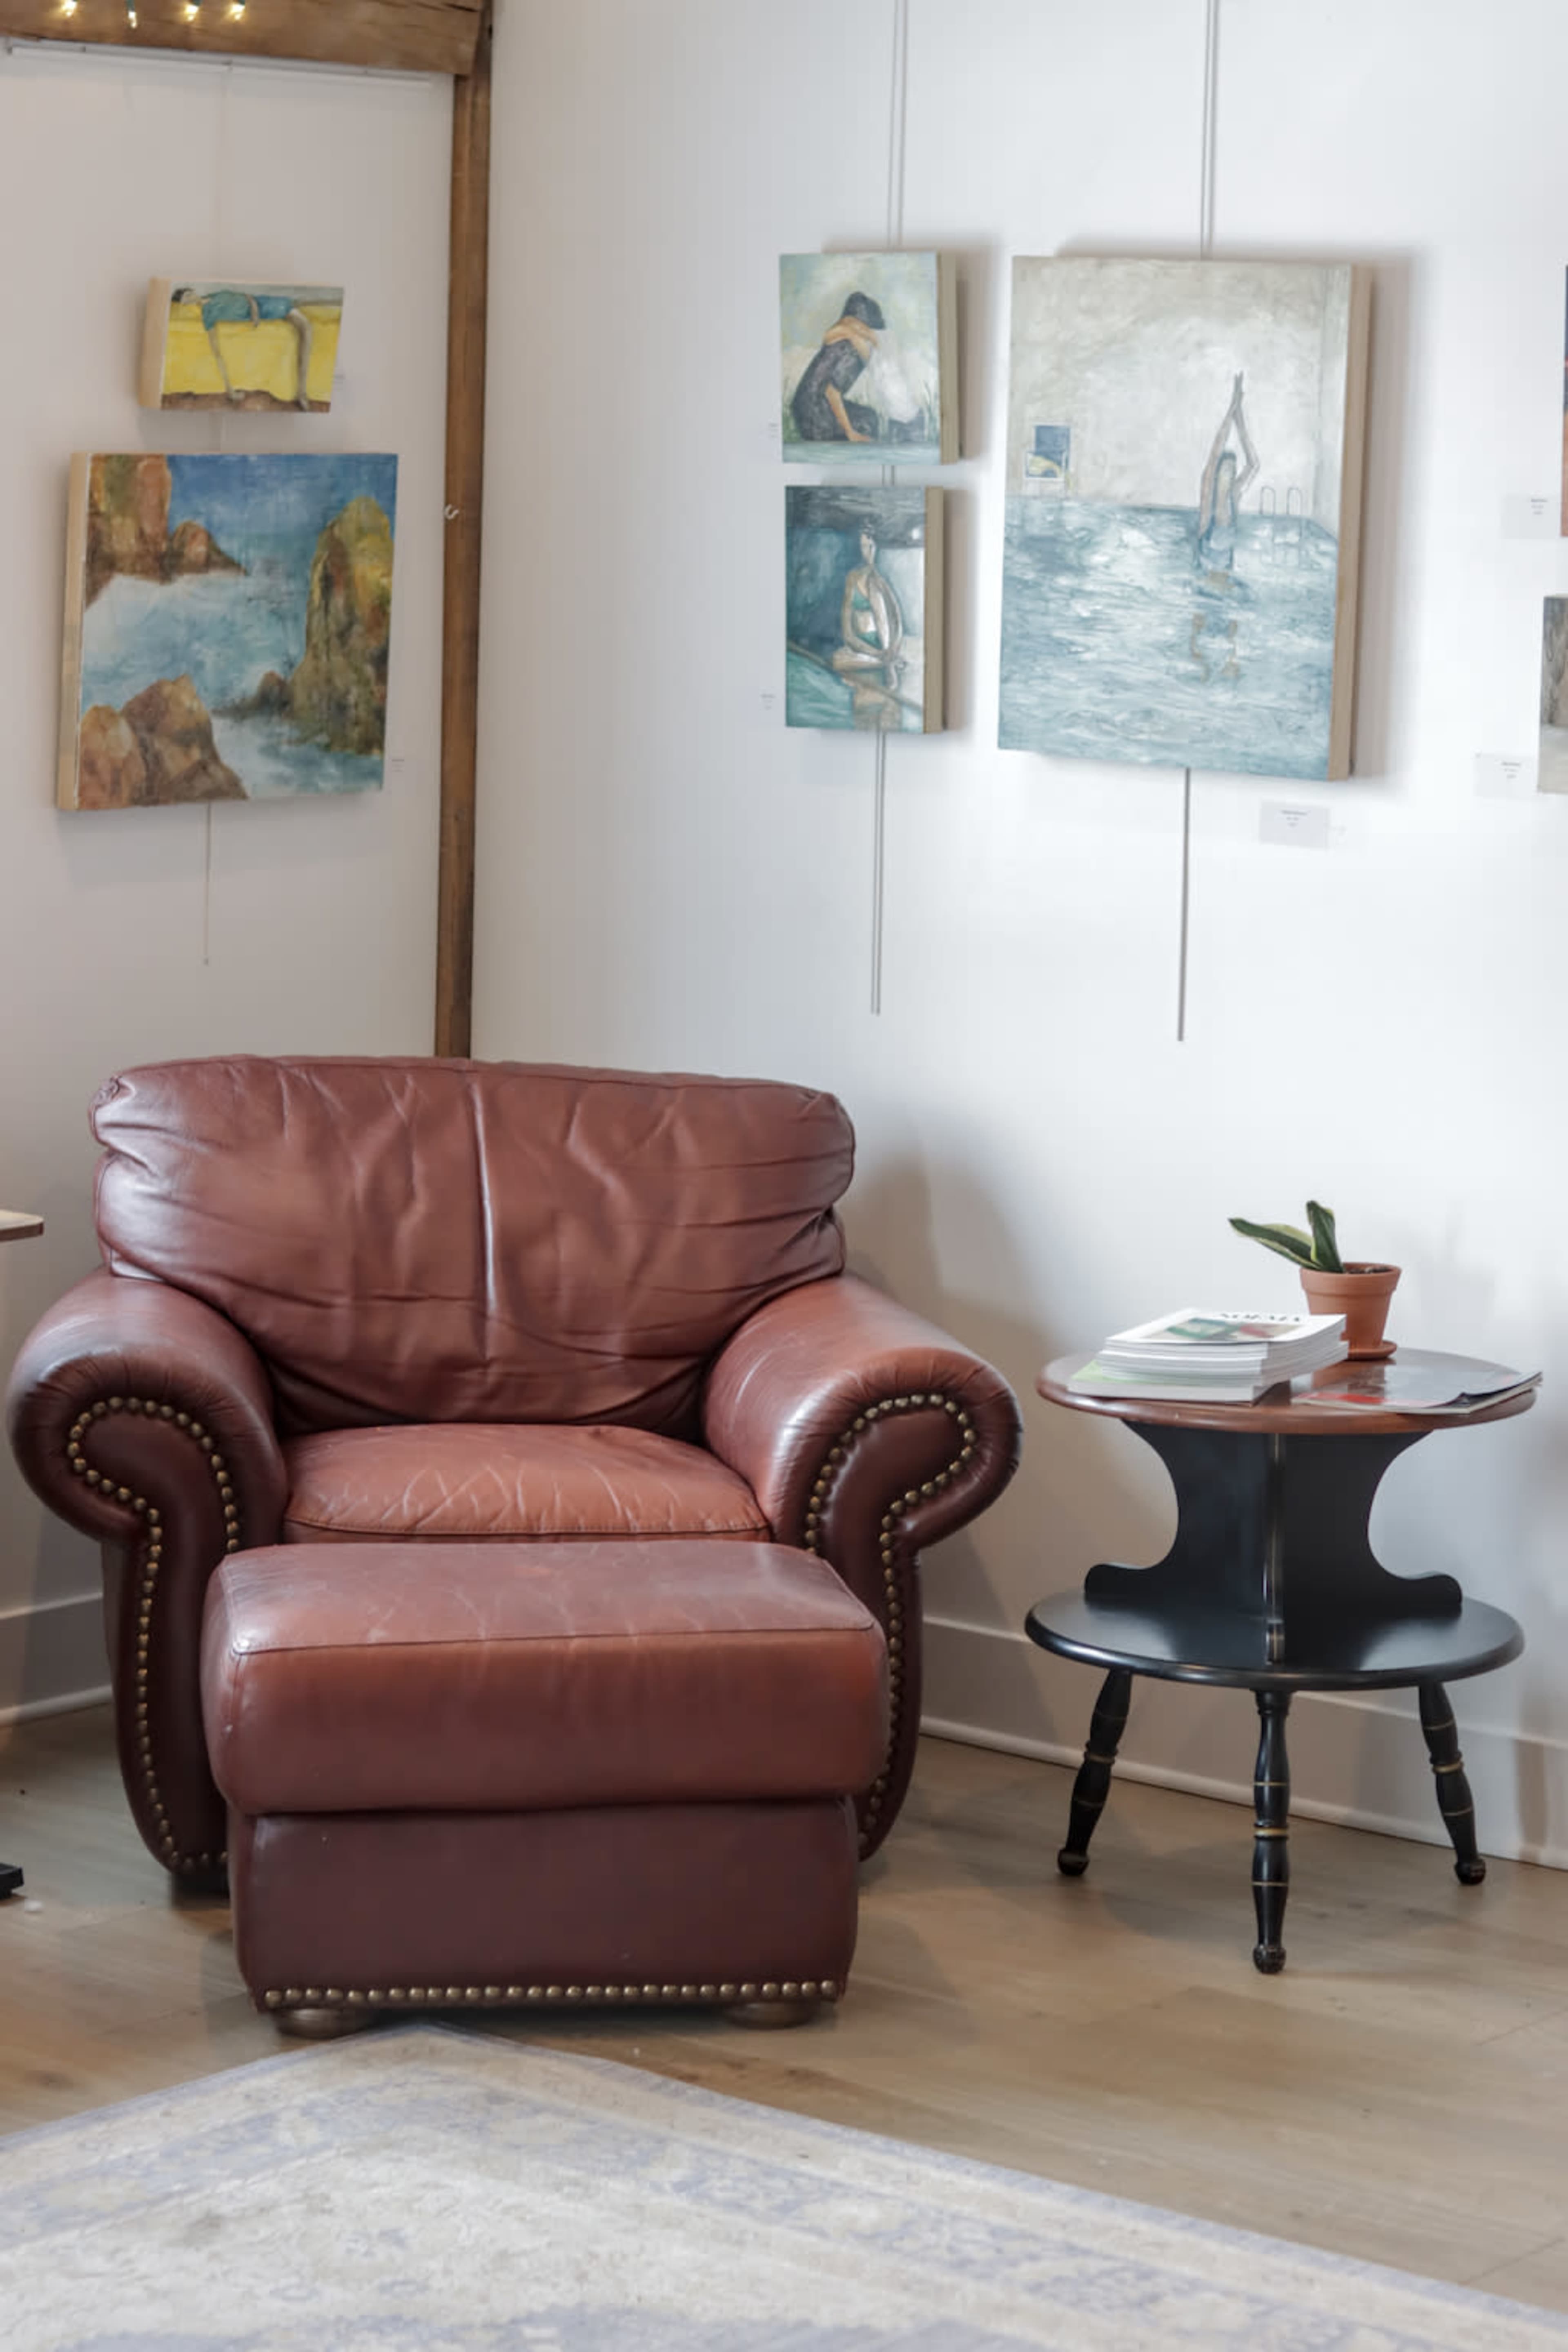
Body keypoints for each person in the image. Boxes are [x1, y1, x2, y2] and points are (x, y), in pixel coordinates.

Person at [175, 286, 316, 412]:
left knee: (304, 322)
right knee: (305, 327)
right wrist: (230, 390)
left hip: (261, 303)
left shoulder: (215, 295)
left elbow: (245, 297)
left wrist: (254, 309)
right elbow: (216, 352)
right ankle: (302, 393)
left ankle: (302, 393)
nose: (190, 301)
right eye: (185, 302)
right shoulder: (208, 314)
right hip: (266, 310)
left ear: (192, 291)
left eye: (188, 296)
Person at [830, 524, 906, 723]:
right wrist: (876, 655)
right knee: (838, 661)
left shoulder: (880, 583)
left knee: (876, 589)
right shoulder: (853, 579)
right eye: (864, 547)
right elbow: (847, 631)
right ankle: (886, 662)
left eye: (871, 547)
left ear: (877, 548)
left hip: (883, 647)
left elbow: (897, 620)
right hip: (863, 649)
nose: (868, 552)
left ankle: (887, 661)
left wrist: (892, 648)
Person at [791, 291, 886, 444]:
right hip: (815, 414)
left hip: (804, 408)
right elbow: (832, 392)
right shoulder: (852, 349)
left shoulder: (841, 341)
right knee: (868, 421)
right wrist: (850, 433)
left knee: (868, 417)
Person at [1196, 371, 1258, 575]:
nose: (1230, 474)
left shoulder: (1234, 496)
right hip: (1203, 583)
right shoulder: (1208, 500)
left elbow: (1254, 464)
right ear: (1217, 472)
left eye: (1233, 470)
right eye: (1226, 469)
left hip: (1227, 585)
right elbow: (1215, 452)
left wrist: (1240, 420)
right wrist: (1232, 407)